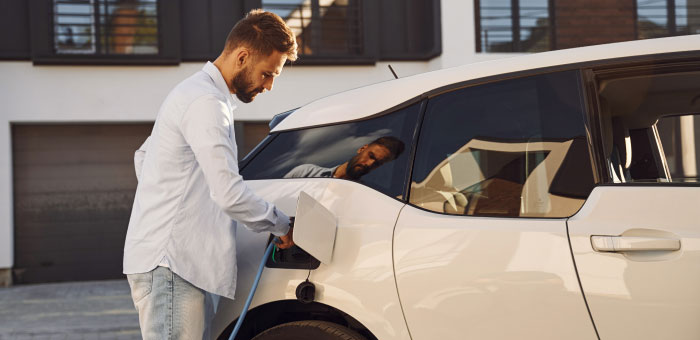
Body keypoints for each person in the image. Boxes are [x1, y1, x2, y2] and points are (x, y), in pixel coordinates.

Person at [123, 10, 297, 339]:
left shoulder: (196, 94)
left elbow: (145, 156)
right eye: (267, 73)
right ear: (243, 56)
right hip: (175, 266)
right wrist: (281, 224)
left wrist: (171, 198)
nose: (270, 85)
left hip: (178, 265)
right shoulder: (206, 103)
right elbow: (229, 193)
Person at [284, 136, 405, 180]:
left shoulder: (362, 197)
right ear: (362, 149)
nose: (369, 164)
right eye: (371, 156)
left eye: (377, 163)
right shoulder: (305, 172)